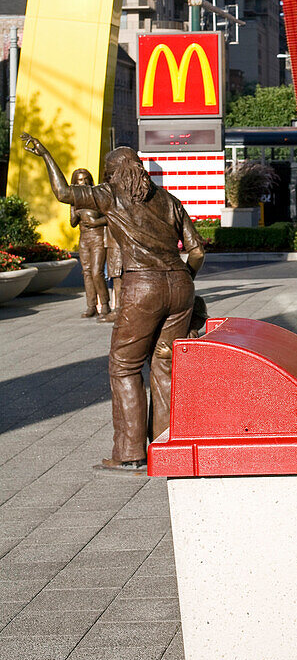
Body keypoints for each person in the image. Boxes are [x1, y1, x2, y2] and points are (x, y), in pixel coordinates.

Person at [21, 135, 204, 473]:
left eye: (108, 172)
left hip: (142, 287)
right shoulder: (169, 200)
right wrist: (186, 281)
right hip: (180, 286)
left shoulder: (110, 195)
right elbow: (197, 251)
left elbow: (62, 193)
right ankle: (166, 445)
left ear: (116, 173)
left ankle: (130, 453)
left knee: (124, 366)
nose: (105, 178)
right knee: (164, 365)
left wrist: (46, 153)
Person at [69, 168, 110, 319]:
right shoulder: (75, 200)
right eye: (80, 180)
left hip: (98, 237)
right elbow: (73, 223)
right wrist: (74, 208)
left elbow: (110, 217)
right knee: (86, 272)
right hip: (84, 239)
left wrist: (96, 222)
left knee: (96, 272)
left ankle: (105, 304)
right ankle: (91, 306)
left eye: (86, 179)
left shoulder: (97, 196)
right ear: (75, 182)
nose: (84, 182)